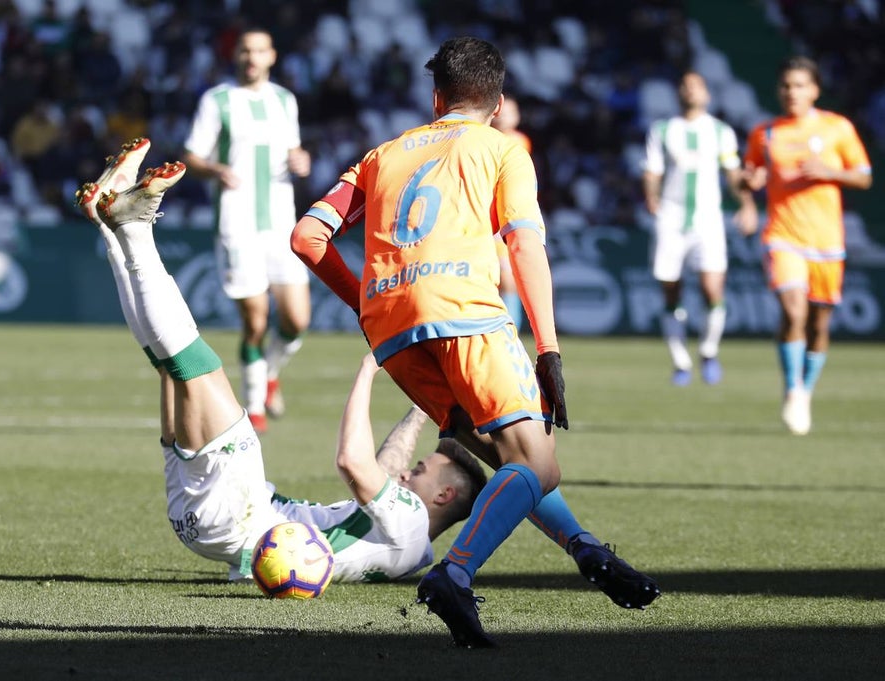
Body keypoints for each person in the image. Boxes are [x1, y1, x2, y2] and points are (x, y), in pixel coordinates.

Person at [292, 37, 659, 647]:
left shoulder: (382, 154)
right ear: (499, 102)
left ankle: (586, 549)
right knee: (537, 464)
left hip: (391, 326)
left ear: (436, 98)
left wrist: (365, 303)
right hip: (462, 311)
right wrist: (548, 349)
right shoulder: (503, 148)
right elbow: (523, 244)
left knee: (505, 457)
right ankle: (454, 574)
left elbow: (308, 236)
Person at [74, 143, 490, 584]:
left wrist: (370, 368)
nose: (408, 471)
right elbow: (385, 468)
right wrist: (424, 405)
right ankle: (113, 226)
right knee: (172, 366)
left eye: (421, 472)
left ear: (444, 496)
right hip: (216, 521)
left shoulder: (409, 523)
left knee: (196, 364)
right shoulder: (407, 543)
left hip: (240, 512)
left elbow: (354, 462)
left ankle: (131, 228)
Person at [181, 27, 312, 435]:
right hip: (237, 225)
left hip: (281, 224)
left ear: (272, 56)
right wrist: (215, 169)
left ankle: (270, 372)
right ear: (235, 55)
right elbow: (190, 156)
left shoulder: (284, 100)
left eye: (259, 51)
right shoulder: (217, 100)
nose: (252, 58)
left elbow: (293, 150)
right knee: (255, 321)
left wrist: (301, 160)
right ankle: (254, 408)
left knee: (297, 320)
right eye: (245, 51)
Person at [742, 56, 872, 435]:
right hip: (783, 236)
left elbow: (864, 176)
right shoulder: (765, 134)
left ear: (814, 90)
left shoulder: (837, 127)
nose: (791, 92)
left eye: (799, 85)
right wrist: (748, 189)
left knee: (818, 323)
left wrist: (830, 172)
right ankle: (793, 389)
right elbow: (749, 175)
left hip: (827, 241)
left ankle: (806, 389)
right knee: (793, 310)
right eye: (786, 85)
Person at [641, 70, 758, 387]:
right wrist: (651, 196)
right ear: (678, 93)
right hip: (671, 216)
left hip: (708, 218)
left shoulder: (720, 131)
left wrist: (747, 203)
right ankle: (681, 361)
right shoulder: (662, 129)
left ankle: (708, 351)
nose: (690, 90)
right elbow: (652, 170)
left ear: (707, 93)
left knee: (712, 288)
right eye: (685, 85)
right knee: (671, 289)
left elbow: (733, 174)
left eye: (697, 86)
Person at [489, 97, 530, 332]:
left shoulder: (518, 141)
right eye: (502, 111)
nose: (504, 115)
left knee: (508, 279)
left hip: (505, 216)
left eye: (510, 111)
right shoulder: (484, 137)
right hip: (486, 216)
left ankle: (511, 328)